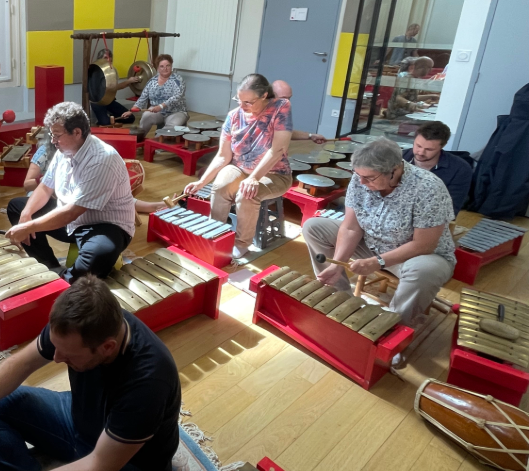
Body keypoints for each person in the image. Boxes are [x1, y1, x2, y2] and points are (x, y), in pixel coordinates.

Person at [0, 276, 182, 471]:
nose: (56, 358)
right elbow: (19, 365)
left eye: (68, 355)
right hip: (80, 419)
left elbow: (101, 463)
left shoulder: (149, 380)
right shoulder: (76, 325)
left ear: (108, 347)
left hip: (128, 460)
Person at [303, 139, 456, 346]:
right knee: (313, 226)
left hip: (420, 257)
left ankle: (393, 333)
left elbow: (423, 245)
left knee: (423, 271)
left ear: (394, 170)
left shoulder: (428, 188)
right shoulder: (361, 179)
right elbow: (350, 227)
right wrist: (336, 264)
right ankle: (339, 300)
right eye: (359, 176)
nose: (362, 183)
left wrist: (378, 262)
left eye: (369, 178)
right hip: (374, 244)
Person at [6, 102, 136, 283]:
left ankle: (66, 282)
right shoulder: (64, 150)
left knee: (99, 254)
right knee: (18, 207)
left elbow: (73, 211)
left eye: (57, 135)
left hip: (105, 224)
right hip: (72, 221)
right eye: (52, 134)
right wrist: (26, 216)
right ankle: (50, 267)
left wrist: (29, 227)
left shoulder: (103, 159)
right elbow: (44, 187)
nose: (53, 141)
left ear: (77, 132)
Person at [183, 74, 294, 259]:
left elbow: (277, 150)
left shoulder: (280, 107)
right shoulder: (233, 116)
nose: (242, 106)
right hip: (240, 167)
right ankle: (215, 233)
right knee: (220, 186)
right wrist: (201, 182)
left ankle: (242, 243)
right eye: (239, 100)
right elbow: (223, 156)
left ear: (264, 96)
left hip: (275, 173)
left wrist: (253, 178)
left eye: (248, 102)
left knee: (247, 193)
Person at [23, 138, 167, 213]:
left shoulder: (78, 147)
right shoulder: (44, 152)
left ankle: (153, 206)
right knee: (30, 201)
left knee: (105, 194)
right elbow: (27, 184)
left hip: (72, 191)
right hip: (47, 193)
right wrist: (44, 180)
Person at [403, 120, 472, 215]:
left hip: (432, 219)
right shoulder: (397, 158)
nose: (421, 152)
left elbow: (450, 210)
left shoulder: (460, 169)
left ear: (442, 146)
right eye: (418, 146)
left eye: (429, 149)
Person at [122, 55, 187, 135]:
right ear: (158, 68)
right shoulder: (152, 81)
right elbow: (143, 98)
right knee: (146, 116)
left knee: (171, 127)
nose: (165, 68)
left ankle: (157, 143)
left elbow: (177, 96)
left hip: (176, 112)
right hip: (157, 111)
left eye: (168, 66)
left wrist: (161, 106)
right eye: (162, 66)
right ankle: (139, 139)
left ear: (171, 66)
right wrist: (131, 111)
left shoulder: (178, 80)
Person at [89, 49, 140, 126]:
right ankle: (106, 120)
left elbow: (116, 87)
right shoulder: (95, 71)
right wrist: (128, 81)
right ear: (99, 59)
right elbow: (112, 88)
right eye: (106, 57)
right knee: (105, 123)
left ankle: (111, 118)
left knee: (130, 118)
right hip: (98, 102)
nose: (109, 59)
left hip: (109, 101)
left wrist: (130, 82)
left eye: (110, 57)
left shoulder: (112, 70)